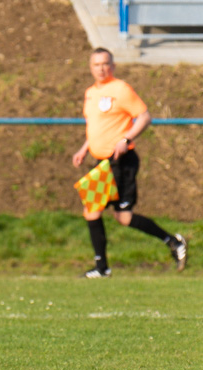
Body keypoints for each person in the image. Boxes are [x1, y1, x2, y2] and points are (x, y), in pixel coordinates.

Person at [72, 47, 187, 278]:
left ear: (112, 66)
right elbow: (98, 127)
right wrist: (84, 148)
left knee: (119, 216)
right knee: (94, 211)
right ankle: (102, 267)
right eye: (96, 64)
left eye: (105, 63)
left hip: (120, 162)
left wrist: (126, 139)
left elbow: (144, 117)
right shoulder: (90, 93)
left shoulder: (121, 89)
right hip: (101, 162)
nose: (101, 68)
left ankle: (173, 242)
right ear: (90, 67)